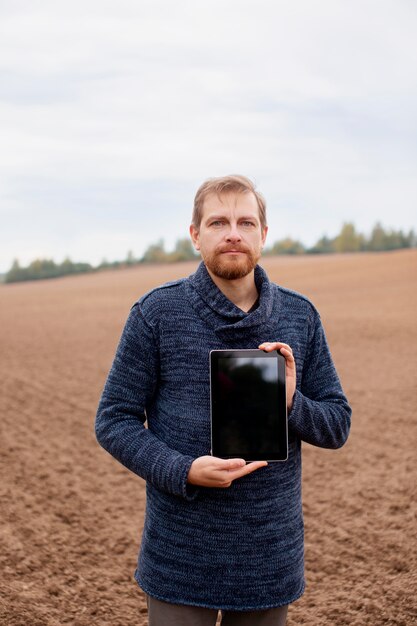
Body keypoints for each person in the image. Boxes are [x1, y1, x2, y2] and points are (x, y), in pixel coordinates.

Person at [95, 175, 351, 626]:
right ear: (196, 236)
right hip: (180, 554)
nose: (233, 232)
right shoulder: (156, 314)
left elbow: (337, 426)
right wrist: (183, 470)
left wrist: (293, 402)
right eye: (218, 222)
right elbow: (114, 420)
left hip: (268, 555)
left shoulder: (300, 316)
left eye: (246, 222)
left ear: (263, 235)